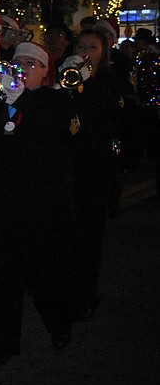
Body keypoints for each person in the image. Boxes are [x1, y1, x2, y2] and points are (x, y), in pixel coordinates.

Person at [0, 41, 81, 364]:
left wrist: (22, 99)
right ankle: (0, 344)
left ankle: (59, 322)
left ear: (44, 72)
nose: (23, 70)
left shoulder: (55, 100)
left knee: (44, 277)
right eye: (18, 63)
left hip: (38, 209)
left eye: (31, 65)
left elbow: (58, 133)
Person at [58, 30, 121, 319]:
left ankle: (84, 295)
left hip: (93, 167)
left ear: (103, 53)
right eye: (81, 46)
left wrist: (87, 82)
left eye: (92, 48)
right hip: (64, 166)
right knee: (63, 234)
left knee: (88, 236)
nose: (85, 51)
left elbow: (109, 114)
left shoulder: (108, 81)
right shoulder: (63, 76)